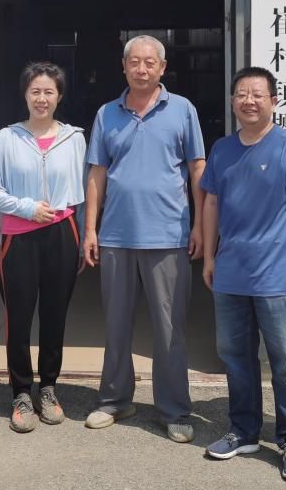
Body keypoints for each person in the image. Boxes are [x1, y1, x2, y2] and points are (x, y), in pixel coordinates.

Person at [82, 35, 206, 443]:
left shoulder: (182, 109)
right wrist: (90, 228)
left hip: (168, 234)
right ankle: (114, 399)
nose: (141, 69)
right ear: (123, 67)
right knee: (116, 323)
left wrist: (200, 225)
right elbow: (97, 173)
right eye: (134, 62)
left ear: (162, 67)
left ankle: (174, 409)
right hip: (116, 235)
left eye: (149, 62)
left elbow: (197, 169)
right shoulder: (107, 113)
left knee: (169, 328)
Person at [200, 67, 286, 481]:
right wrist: (209, 257)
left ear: (274, 101)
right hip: (231, 271)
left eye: (257, 94)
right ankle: (243, 430)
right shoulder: (222, 149)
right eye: (241, 94)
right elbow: (211, 203)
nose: (248, 101)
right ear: (233, 101)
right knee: (235, 357)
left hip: (277, 274)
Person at [0, 62, 87, 433]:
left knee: (55, 316)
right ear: (25, 95)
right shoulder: (6, 138)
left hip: (62, 235)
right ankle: (21, 392)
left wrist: (83, 237)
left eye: (49, 92)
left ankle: (49, 388)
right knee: (19, 318)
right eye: (35, 91)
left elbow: (81, 192)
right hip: (19, 237)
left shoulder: (74, 139)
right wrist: (26, 208)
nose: (42, 98)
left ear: (59, 96)